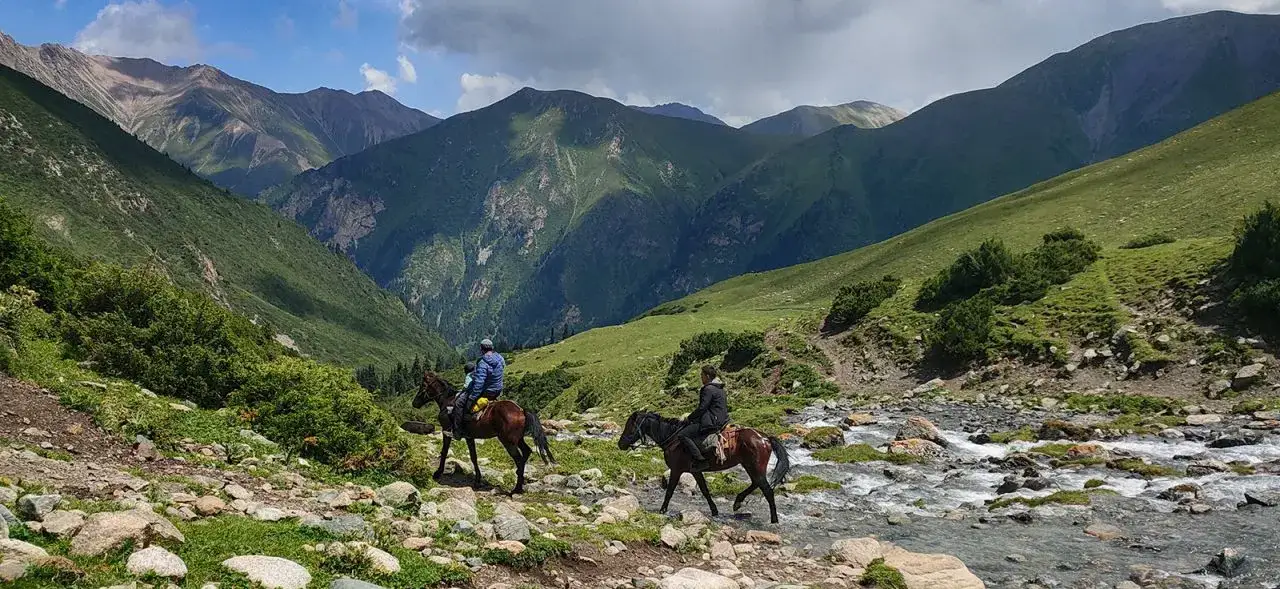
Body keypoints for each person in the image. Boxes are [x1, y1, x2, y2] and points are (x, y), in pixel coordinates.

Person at [677, 365, 729, 470]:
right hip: (723, 420)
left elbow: (702, 408)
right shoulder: (720, 389)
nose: (701, 378)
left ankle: (701, 461)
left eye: (702, 375)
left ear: (708, 376)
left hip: (712, 421)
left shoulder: (708, 389)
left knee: (683, 435)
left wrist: (689, 418)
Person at [450, 339, 505, 438]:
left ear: (481, 349)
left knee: (459, 403)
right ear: (492, 347)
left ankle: (458, 432)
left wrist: (472, 397)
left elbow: (479, 383)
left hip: (487, 391)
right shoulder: (500, 358)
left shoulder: (483, 362)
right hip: (498, 390)